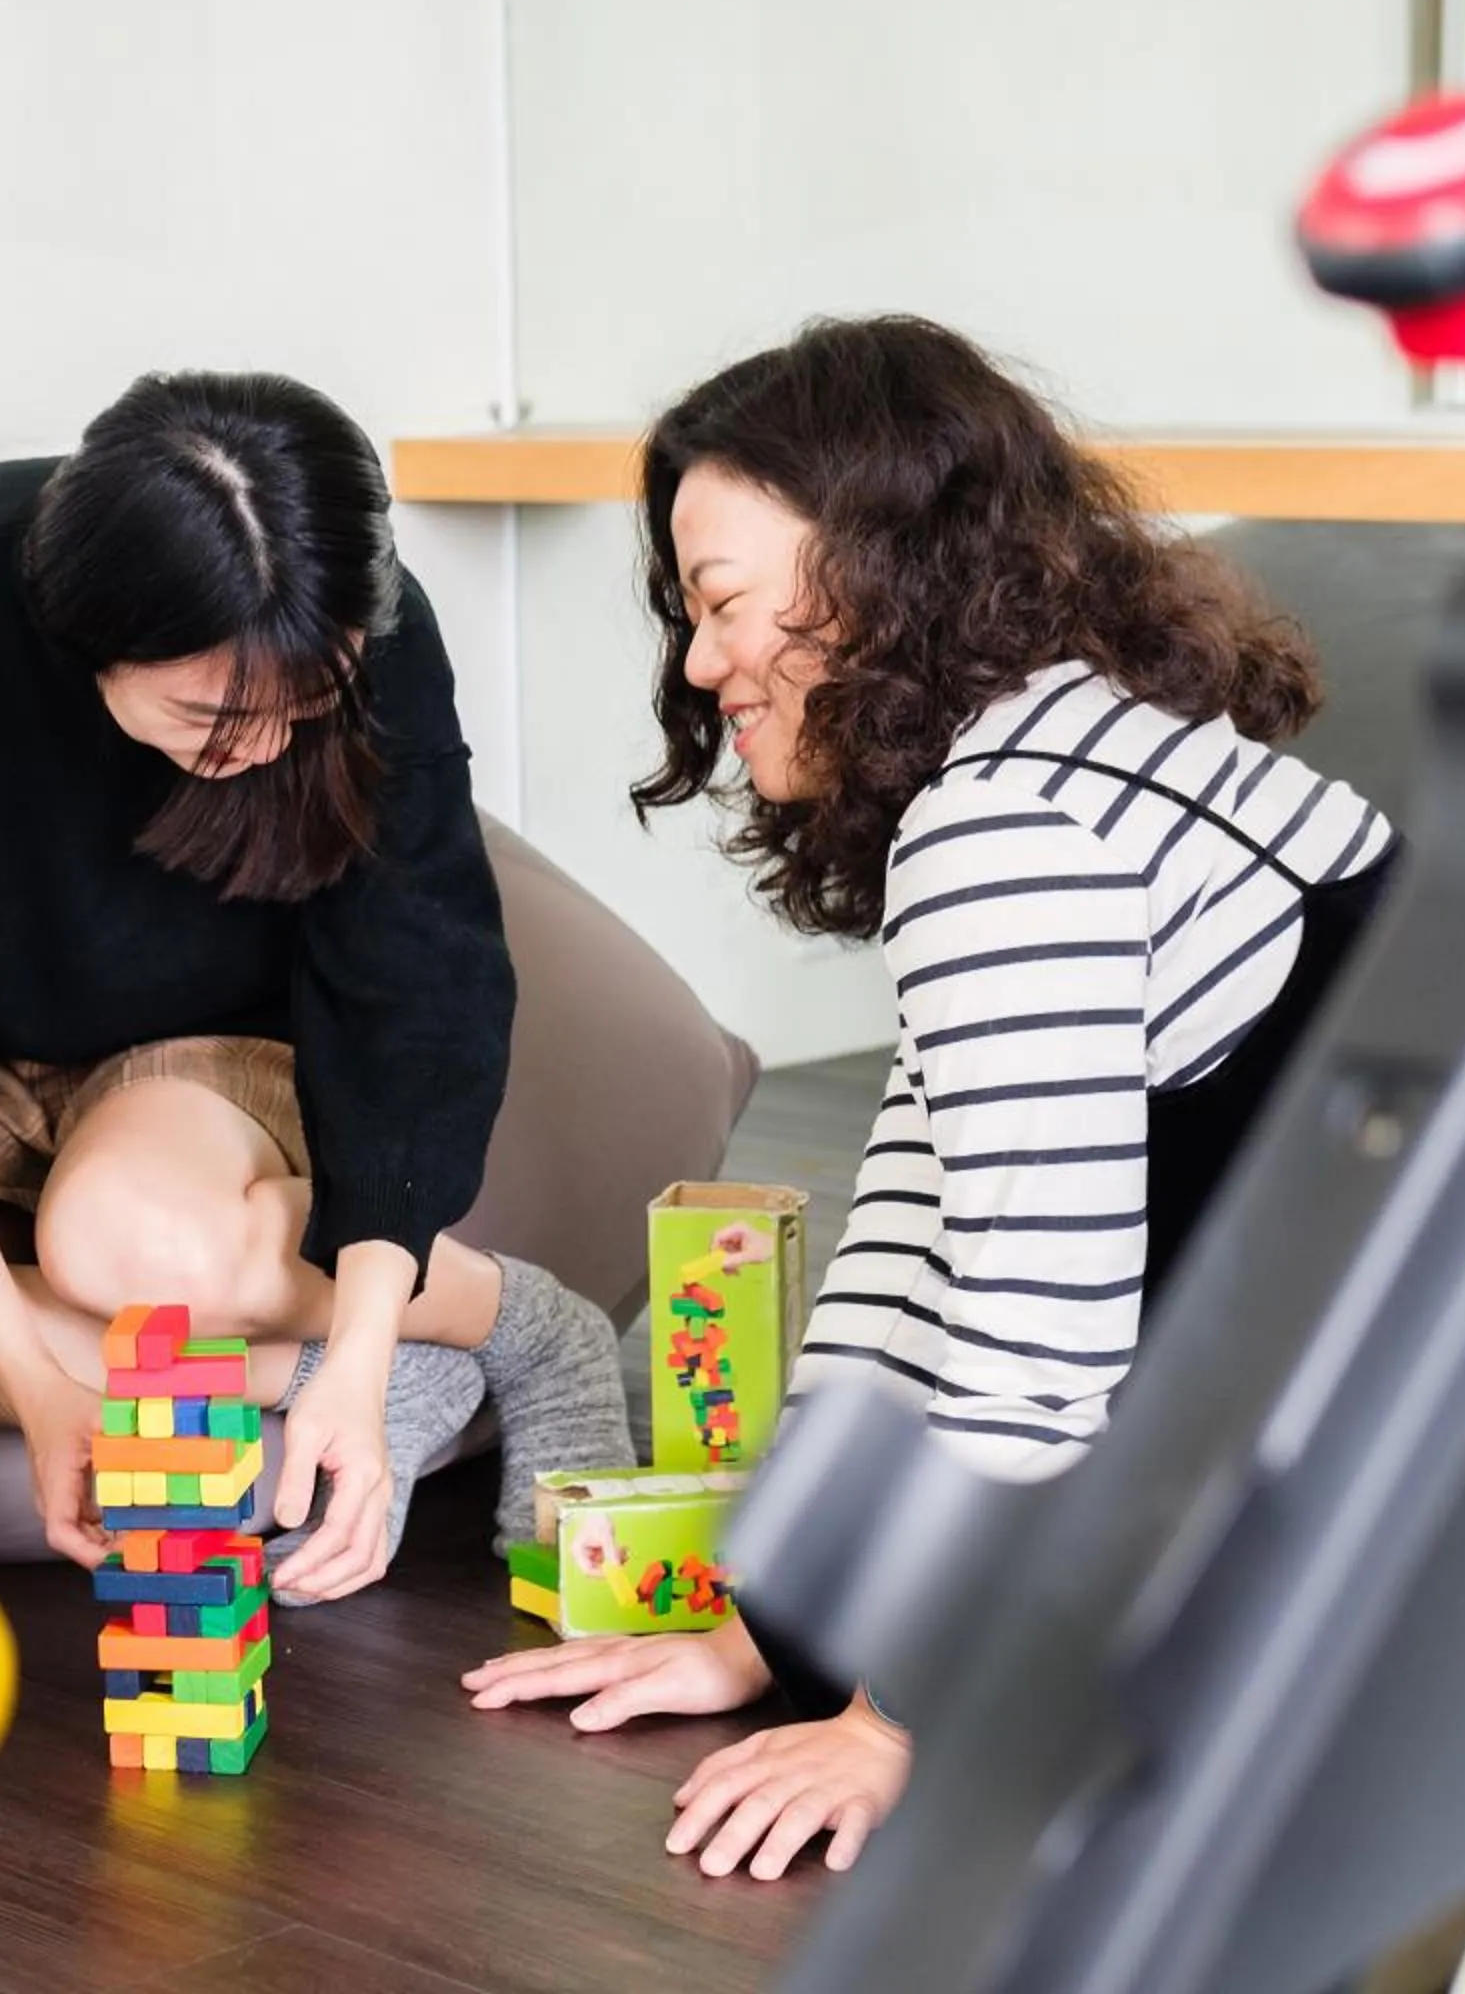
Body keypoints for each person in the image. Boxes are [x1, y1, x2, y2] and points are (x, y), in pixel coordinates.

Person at [462, 315, 1398, 1879]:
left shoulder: (1005, 835)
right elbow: (931, 1198)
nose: (697, 665)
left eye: (721, 605)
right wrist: (789, 1621)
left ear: (882, 573)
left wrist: (892, 1718)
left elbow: (1039, 1329)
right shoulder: (1086, 741)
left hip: (1367, 1521)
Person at [0, 372, 634, 1603]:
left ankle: (506, 1320)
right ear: (89, 639)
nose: (261, 748)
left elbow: (416, 987)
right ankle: (345, 1364)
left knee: (121, 1237)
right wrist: (38, 1395)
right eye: (208, 714)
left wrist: (365, 1331)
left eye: (302, 709)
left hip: (202, 1059)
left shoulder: (372, 627)